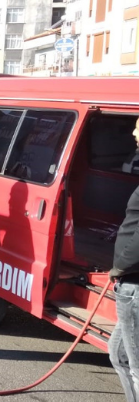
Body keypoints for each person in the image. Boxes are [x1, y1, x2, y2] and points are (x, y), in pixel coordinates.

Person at [109, 116, 139, 401]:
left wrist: (120, 267)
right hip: (130, 284)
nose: (132, 130)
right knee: (118, 354)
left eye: (138, 126)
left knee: (136, 366)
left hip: (134, 286)